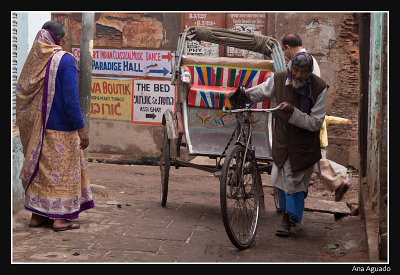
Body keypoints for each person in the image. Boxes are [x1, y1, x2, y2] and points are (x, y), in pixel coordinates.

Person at [234, 51, 328, 237]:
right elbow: (261, 92)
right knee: (279, 177)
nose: (298, 75)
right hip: (282, 139)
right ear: (290, 68)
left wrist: (294, 112)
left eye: (303, 71)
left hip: (304, 143)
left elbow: (316, 122)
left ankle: (287, 218)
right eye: (295, 70)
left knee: (294, 180)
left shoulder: (319, 88)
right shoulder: (278, 78)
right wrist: (241, 96)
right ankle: (289, 215)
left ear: (310, 72)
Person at [16, 21, 94, 232]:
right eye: (65, 38)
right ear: (59, 39)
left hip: (39, 130)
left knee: (43, 172)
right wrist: (81, 128)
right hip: (62, 129)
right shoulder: (65, 60)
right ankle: (60, 219)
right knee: (63, 174)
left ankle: (37, 217)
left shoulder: (35, 61)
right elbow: (71, 99)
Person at [317, 115, 353, 201]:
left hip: (318, 146)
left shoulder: (318, 116)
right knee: (320, 167)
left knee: (321, 165)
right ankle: (340, 181)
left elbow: (330, 119)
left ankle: (343, 175)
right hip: (317, 146)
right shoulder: (314, 115)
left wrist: (345, 121)